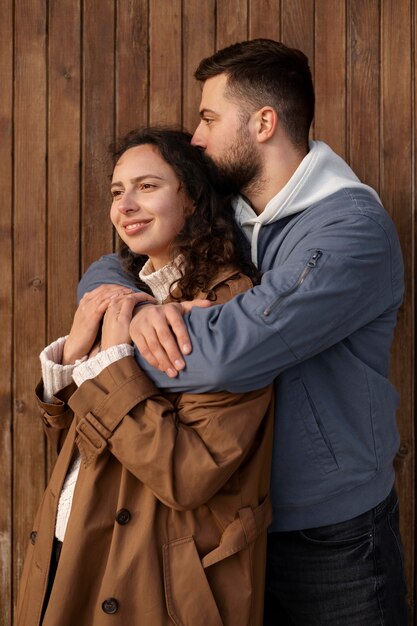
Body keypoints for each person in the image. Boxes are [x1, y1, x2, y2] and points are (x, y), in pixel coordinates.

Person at [78, 39, 408, 625]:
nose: (197, 137)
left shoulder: (350, 233)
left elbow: (232, 354)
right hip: (229, 524)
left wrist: (110, 345)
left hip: (329, 534)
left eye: (209, 118)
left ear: (263, 122)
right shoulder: (229, 209)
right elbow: (116, 263)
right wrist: (132, 304)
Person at [16, 128, 274, 626]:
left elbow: (187, 474)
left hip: (153, 576)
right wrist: (73, 354)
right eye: (117, 192)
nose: (126, 205)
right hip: (68, 545)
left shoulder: (229, 305)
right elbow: (79, 444)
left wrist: (109, 363)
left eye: (148, 186)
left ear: (194, 198)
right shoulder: (121, 293)